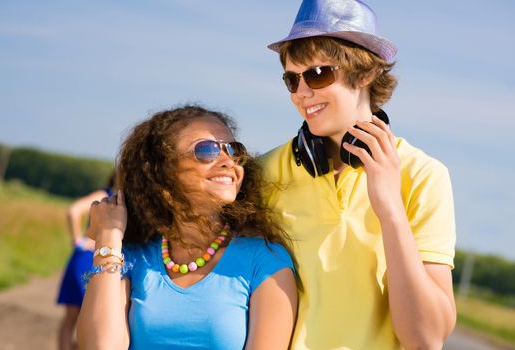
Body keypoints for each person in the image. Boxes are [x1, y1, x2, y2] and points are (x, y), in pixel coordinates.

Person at [260, 0, 457, 349]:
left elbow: (426, 339)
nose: (302, 93)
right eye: (292, 79)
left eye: (318, 74)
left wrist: (390, 209)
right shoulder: (264, 173)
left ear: (365, 73)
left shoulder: (425, 176)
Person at [76, 105, 298, 349]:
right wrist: (108, 238)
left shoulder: (264, 260)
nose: (228, 161)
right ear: (162, 172)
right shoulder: (133, 258)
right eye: (207, 150)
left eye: (234, 150)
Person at [56, 171, 115, 350]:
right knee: (78, 317)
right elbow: (74, 211)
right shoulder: (105, 195)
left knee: (84, 320)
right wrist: (78, 242)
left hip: (100, 261)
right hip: (88, 259)